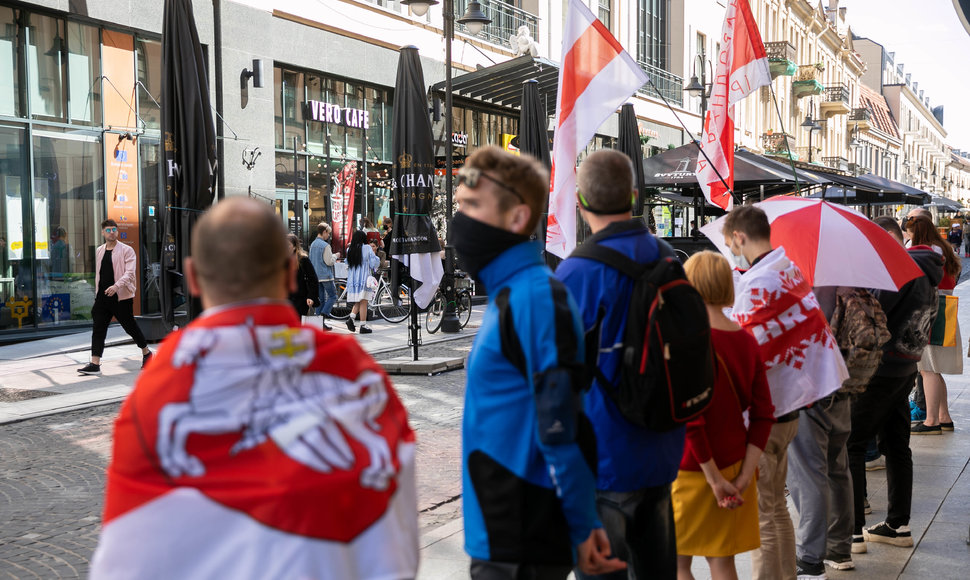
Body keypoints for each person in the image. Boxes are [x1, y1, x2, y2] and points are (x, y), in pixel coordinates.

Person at [89, 198, 418, 578]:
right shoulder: (358, 375)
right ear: (289, 275)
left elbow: (124, 563)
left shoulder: (159, 389)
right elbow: (397, 548)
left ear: (193, 278)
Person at [452, 146, 623, 579]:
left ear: (517, 217)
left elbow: (562, 424)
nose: (460, 220)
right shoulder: (511, 294)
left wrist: (584, 526)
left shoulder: (534, 297)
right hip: (502, 531)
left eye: (473, 206)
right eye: (459, 206)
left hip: (520, 537)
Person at [555, 150, 688, 580]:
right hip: (663, 448)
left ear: (580, 202)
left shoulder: (574, 276)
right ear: (633, 196)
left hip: (605, 461)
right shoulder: (669, 259)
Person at [721, 205, 847, 580]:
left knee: (763, 514)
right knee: (776, 508)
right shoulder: (787, 271)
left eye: (731, 244)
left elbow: (747, 350)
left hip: (767, 416)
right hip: (789, 411)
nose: (732, 251)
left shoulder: (762, 285)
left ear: (740, 237)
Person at [675, 251, 775, 580]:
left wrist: (712, 478)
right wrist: (744, 477)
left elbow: (692, 418)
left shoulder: (688, 342)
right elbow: (764, 414)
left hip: (690, 468)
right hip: (736, 465)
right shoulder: (746, 341)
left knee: (677, 563)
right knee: (722, 562)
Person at [847, 216, 941, 554]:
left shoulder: (898, 273)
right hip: (905, 367)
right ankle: (897, 525)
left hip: (880, 368)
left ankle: (853, 531)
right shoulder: (927, 271)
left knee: (852, 445)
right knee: (898, 446)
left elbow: (871, 316)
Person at [906, 217, 961, 435]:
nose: (908, 237)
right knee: (935, 370)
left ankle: (931, 421)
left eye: (909, 233)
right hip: (944, 309)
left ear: (917, 233)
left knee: (928, 370)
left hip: (929, 312)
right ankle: (943, 417)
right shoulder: (943, 248)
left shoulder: (923, 252)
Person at [77, 219, 152, 376]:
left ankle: (146, 353)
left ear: (117, 232)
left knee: (129, 326)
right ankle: (95, 363)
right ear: (103, 233)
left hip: (120, 296)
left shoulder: (127, 250)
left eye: (114, 230)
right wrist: (98, 293)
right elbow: (100, 273)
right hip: (103, 297)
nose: (112, 232)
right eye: (108, 230)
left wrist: (116, 286)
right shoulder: (99, 250)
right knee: (98, 328)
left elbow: (130, 273)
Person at [345, 230, 379, 334]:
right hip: (364, 278)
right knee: (364, 301)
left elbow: (347, 263)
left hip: (353, 279)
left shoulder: (349, 249)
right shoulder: (367, 248)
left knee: (359, 301)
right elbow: (374, 263)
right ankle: (363, 326)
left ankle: (351, 319)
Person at [309, 222, 337, 330]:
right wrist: (335, 256)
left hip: (316, 275)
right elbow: (329, 262)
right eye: (328, 233)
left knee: (320, 299)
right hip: (326, 275)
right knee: (333, 296)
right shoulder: (325, 245)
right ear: (324, 232)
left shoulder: (313, 244)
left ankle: (319, 323)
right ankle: (324, 315)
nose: (328, 236)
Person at [287, 233, 319, 318]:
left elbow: (313, 279)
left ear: (294, 247)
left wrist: (311, 296)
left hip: (300, 299)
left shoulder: (303, 259)